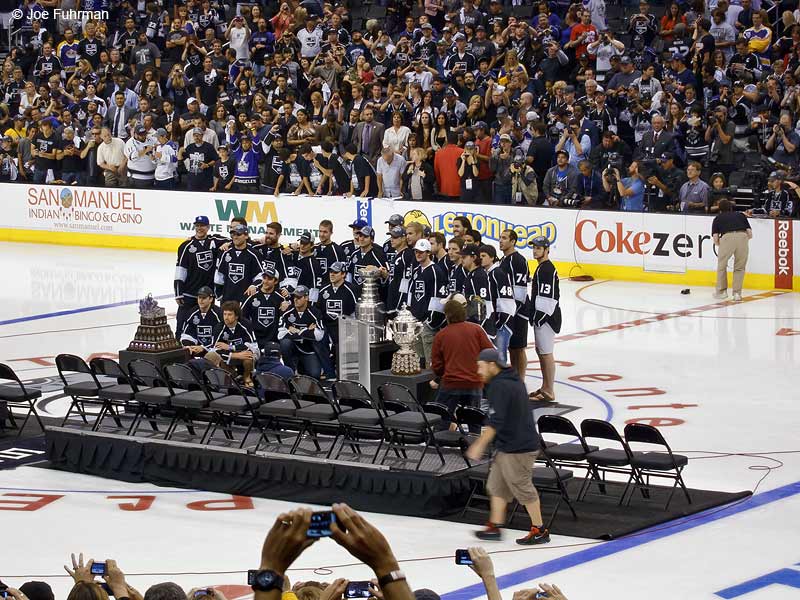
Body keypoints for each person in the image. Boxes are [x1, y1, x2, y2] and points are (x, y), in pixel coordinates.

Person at [467, 348, 549, 546]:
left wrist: (479, 444)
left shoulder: (500, 386)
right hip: (507, 445)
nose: (478, 371)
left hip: (518, 447)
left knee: (522, 487)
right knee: (497, 485)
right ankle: (495, 526)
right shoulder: (510, 379)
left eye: (481, 366)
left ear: (492, 365)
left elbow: (496, 421)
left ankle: (540, 530)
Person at [431, 298, 493, 427]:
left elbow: (437, 366)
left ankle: (440, 443)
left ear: (447, 316)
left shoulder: (441, 335)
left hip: (450, 383)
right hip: (474, 383)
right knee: (474, 420)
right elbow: (490, 353)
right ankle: (473, 442)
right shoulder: (477, 330)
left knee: (441, 417)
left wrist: (440, 376)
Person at [174, 215, 222, 338]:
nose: (199, 228)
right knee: (182, 325)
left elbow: (233, 239)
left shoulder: (214, 242)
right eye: (198, 226)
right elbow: (180, 270)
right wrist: (178, 292)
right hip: (189, 294)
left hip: (207, 296)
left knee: (207, 325)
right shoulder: (186, 246)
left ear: (208, 227)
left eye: (203, 226)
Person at [527, 236, 561, 403]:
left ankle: (549, 390)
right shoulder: (542, 268)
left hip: (546, 318)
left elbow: (549, 298)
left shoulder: (546, 269)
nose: (535, 251)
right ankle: (545, 386)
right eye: (534, 248)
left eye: (539, 248)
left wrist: (538, 318)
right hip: (542, 317)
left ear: (547, 250)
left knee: (546, 353)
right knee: (542, 352)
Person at [205, 301, 260, 387]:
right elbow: (214, 350)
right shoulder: (219, 328)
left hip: (243, 353)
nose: (226, 317)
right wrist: (235, 355)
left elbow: (253, 346)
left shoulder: (246, 324)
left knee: (249, 356)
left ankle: (247, 376)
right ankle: (234, 377)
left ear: (236, 316)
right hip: (230, 356)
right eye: (224, 314)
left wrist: (231, 347)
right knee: (211, 356)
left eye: (229, 314)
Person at [278, 285, 328, 378]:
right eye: (294, 297)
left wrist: (297, 331)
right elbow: (280, 335)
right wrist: (308, 331)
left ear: (306, 298)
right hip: (292, 348)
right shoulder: (287, 311)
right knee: (285, 343)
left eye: (299, 297)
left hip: (307, 349)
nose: (296, 299)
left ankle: (302, 367)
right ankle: (290, 371)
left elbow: (319, 335)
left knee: (315, 374)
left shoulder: (315, 312)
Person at [712, 199, 752, 302]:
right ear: (731, 207)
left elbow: (716, 238)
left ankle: (722, 292)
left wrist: (722, 244)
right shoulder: (740, 215)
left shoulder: (718, 218)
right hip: (742, 236)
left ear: (719, 209)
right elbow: (750, 234)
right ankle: (737, 294)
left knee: (722, 265)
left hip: (727, 237)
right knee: (740, 267)